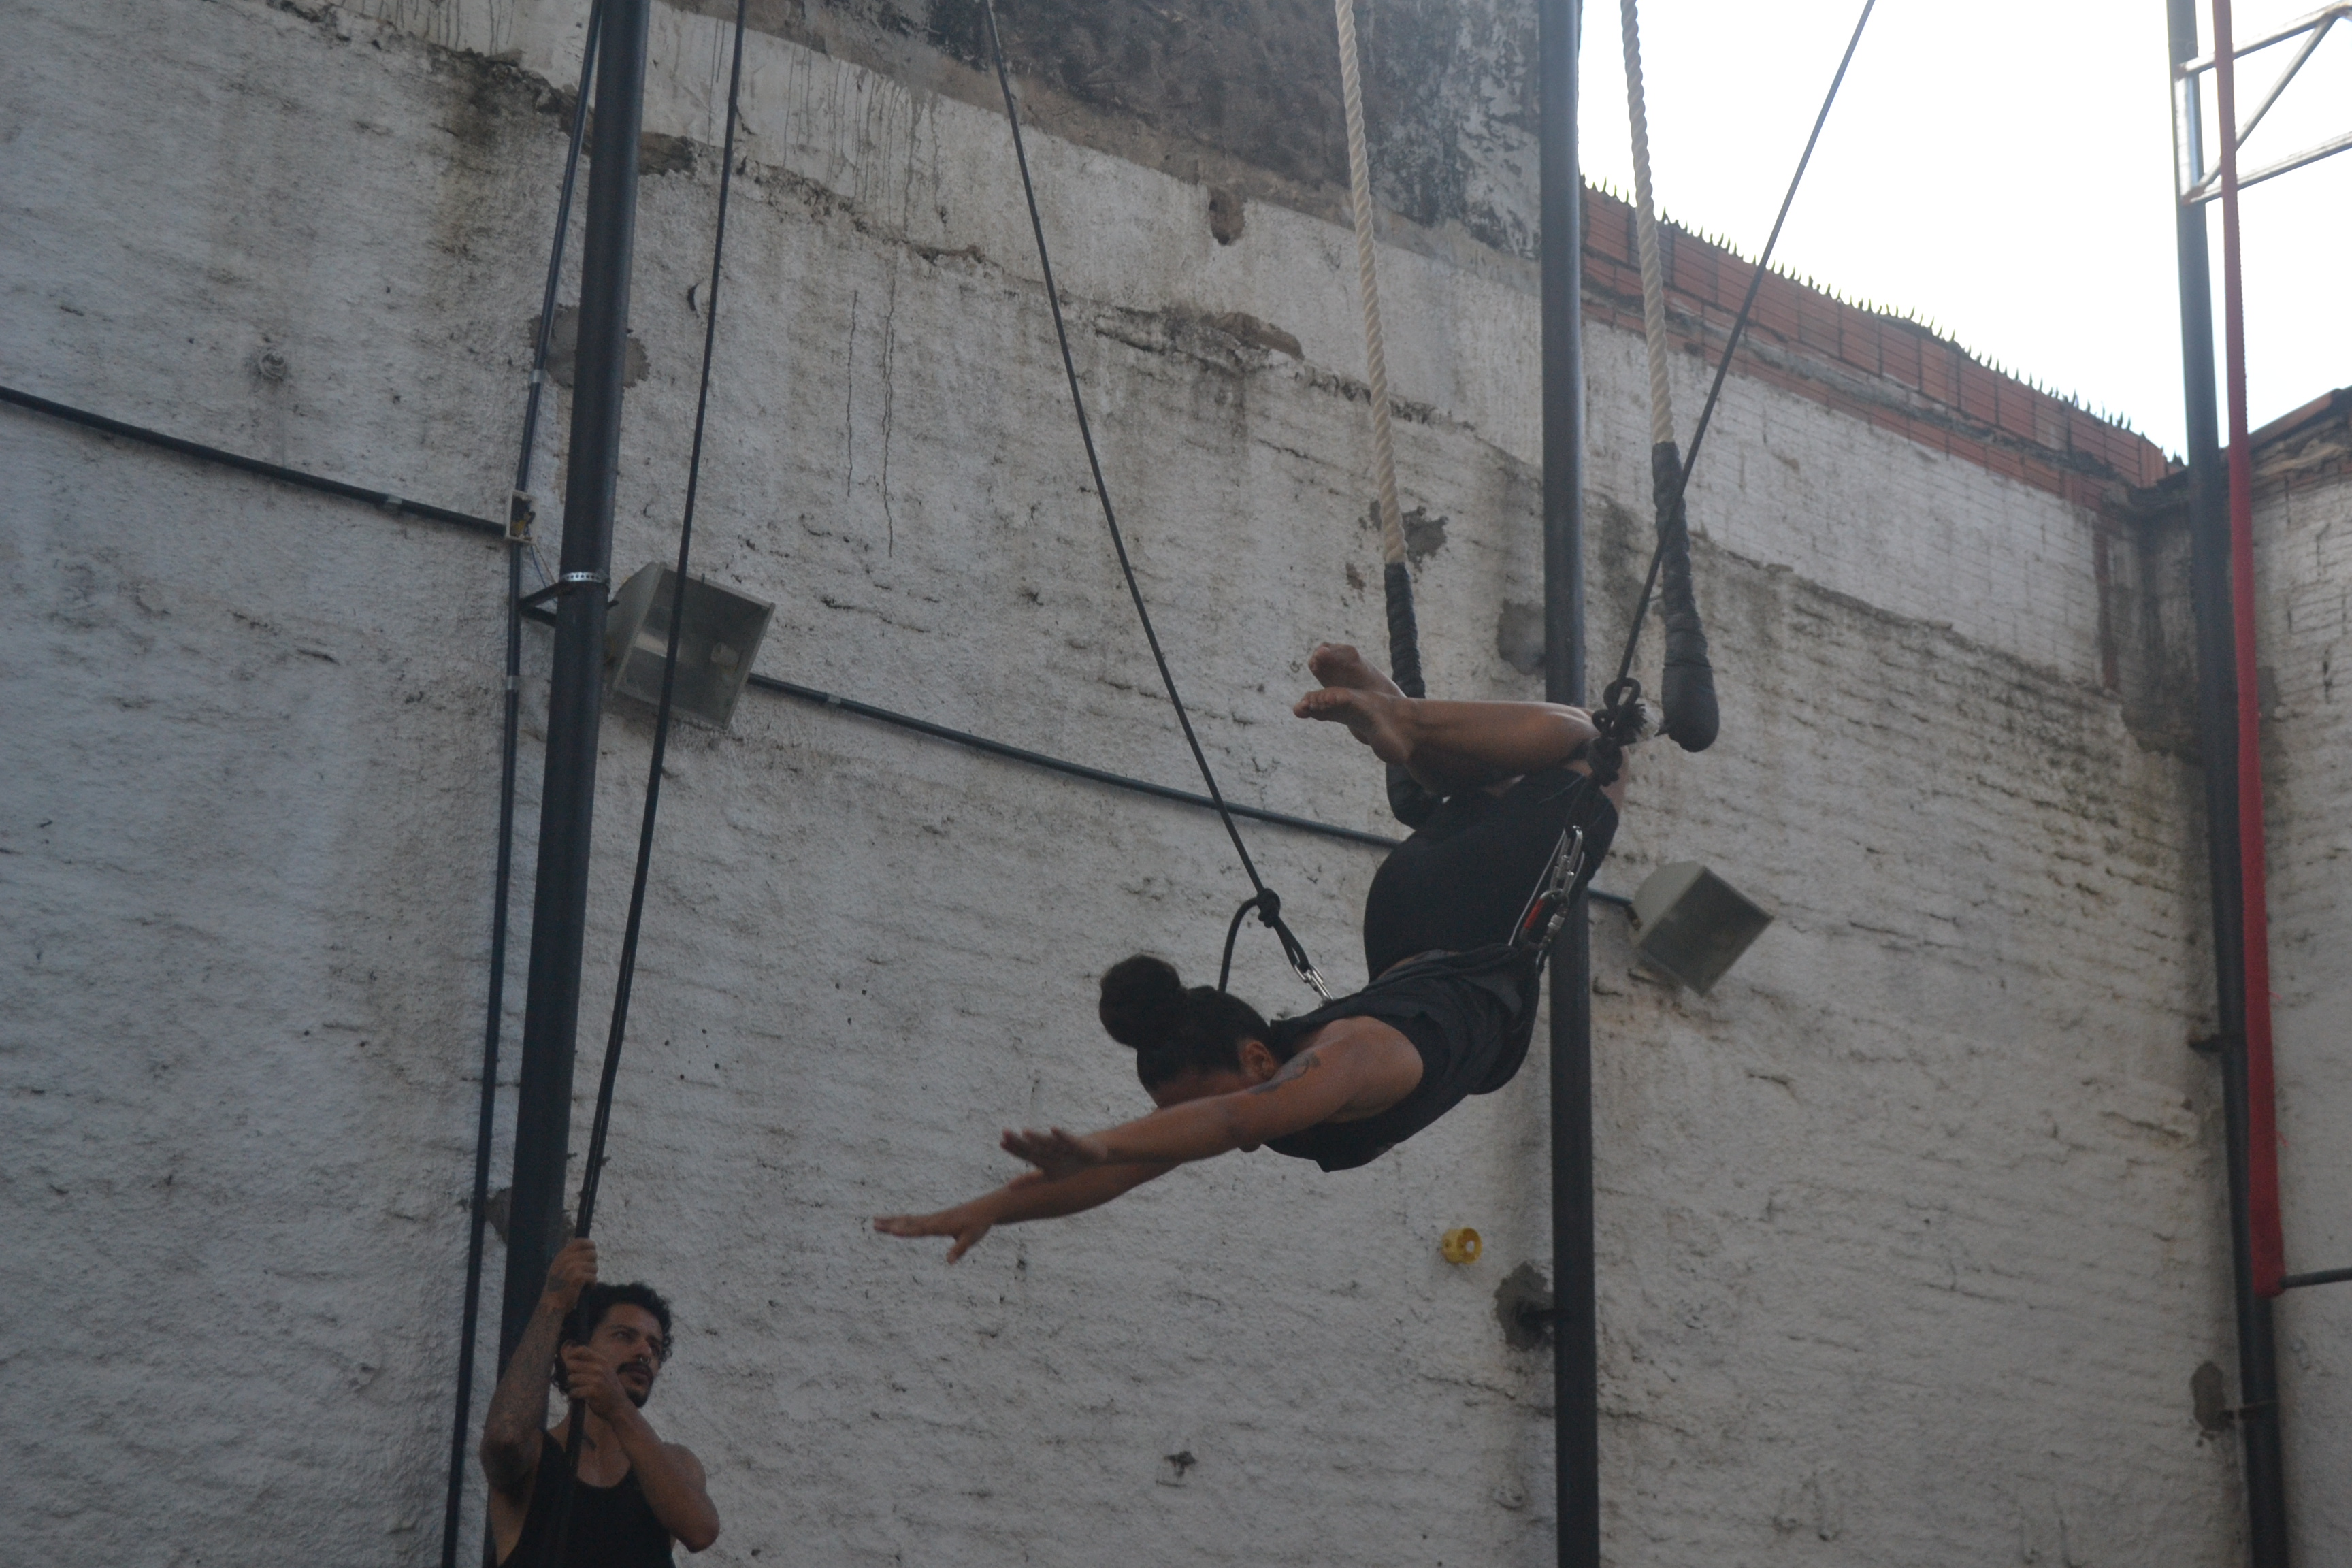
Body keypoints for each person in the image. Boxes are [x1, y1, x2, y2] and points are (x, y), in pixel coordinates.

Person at [876, 642, 1625, 1261]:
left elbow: (1229, 1122)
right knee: (1493, 783)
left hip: (1473, 912)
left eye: (1209, 1108)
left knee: (1600, 750)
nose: (1201, 1138)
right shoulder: (1310, 1062)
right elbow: (1139, 1163)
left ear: (1259, 1062)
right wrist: (990, 1208)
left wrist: (1103, 1146)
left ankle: (1404, 716)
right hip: (1416, 920)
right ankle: (1397, 717)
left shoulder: (1346, 1061)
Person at [479, 1239, 720, 1564]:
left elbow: (701, 1531)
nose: (644, 1352)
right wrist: (554, 1302)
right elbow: (504, 1438)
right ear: (573, 1353)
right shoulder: (535, 1457)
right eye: (624, 1336)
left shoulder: (675, 1466)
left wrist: (618, 1408)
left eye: (655, 1347)